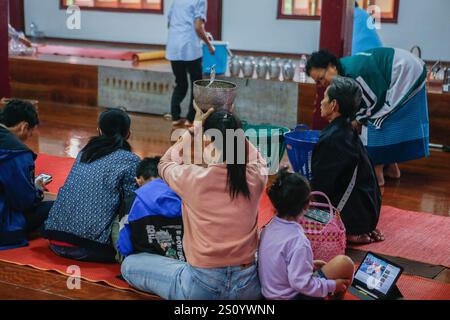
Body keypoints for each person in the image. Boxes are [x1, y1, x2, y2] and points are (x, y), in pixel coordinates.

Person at [121, 106, 268, 300]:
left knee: (130, 265)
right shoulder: (255, 177)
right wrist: (231, 126)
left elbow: (164, 164)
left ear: (210, 142)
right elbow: (258, 158)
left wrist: (195, 128)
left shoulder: (194, 178)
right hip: (247, 288)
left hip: (202, 287)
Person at [306, 47, 429, 186]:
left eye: (321, 78)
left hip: (405, 70)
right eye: (317, 82)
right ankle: (392, 169)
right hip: (405, 67)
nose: (321, 84)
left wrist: (358, 120)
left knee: (377, 120)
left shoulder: (355, 72)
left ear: (332, 66)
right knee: (380, 118)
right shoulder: (345, 70)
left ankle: (376, 175)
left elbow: (375, 102)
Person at [44, 109, 140, 263]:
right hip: (88, 248)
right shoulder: (130, 160)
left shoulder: (84, 153)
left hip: (55, 239)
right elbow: (132, 202)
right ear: (128, 134)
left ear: (99, 131)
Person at [258, 168, 355, 300]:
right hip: (292, 297)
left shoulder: (267, 228)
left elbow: (277, 263)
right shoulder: (298, 241)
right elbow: (301, 284)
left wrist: (308, 264)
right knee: (345, 263)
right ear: (307, 205)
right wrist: (333, 285)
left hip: (267, 296)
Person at [311, 77, 382, 244]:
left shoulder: (332, 139)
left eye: (325, 98)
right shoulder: (349, 131)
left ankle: (349, 230)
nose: (321, 102)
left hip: (354, 220)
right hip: (367, 215)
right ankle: (358, 228)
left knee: (288, 204)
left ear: (334, 104)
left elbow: (321, 189)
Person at [0, 99, 53, 250]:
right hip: (4, 227)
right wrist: (36, 189)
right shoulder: (16, 154)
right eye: (29, 134)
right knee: (55, 206)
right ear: (23, 127)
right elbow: (24, 202)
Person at [115, 157, 183, 261]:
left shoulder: (132, 201)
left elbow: (125, 247)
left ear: (139, 179)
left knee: (128, 263)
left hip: (147, 266)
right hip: (182, 266)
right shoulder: (184, 197)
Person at [166, 0, 215, 127]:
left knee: (180, 83)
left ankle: (175, 117)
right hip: (190, 47)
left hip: (174, 46)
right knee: (196, 85)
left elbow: (169, 22)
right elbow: (198, 26)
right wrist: (209, 45)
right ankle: (191, 119)